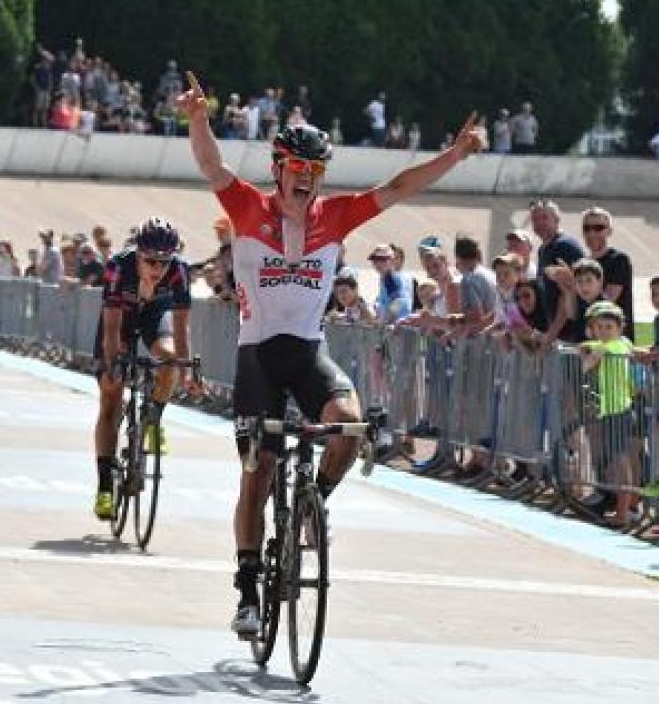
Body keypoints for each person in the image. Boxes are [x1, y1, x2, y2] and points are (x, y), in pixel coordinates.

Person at [177, 71, 483, 636]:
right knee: (258, 471)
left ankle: (312, 507)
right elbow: (212, 167)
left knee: (349, 426)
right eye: (299, 171)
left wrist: (455, 155)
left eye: (317, 173)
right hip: (257, 358)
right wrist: (199, 119)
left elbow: (399, 186)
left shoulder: (335, 216)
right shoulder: (247, 208)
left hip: (308, 351)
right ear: (279, 169)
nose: (309, 181)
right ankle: (246, 589)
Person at [91, 218, 192, 520]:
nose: (158, 268)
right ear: (137, 253)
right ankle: (105, 488)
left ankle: (153, 418)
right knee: (111, 398)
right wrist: (112, 364)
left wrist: (184, 370)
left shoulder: (179, 271)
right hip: (120, 320)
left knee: (170, 358)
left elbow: (181, 327)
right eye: (150, 261)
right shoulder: (118, 267)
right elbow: (110, 328)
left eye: (164, 261)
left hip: (153, 317)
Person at [578, 301, 637, 526]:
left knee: (621, 462)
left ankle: (624, 512)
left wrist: (588, 350)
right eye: (599, 327)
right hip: (613, 409)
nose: (603, 332)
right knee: (617, 460)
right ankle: (623, 509)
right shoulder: (619, 345)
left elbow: (586, 363)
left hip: (618, 410)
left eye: (609, 327)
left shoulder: (614, 347)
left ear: (619, 329)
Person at [531, 200, 585, 340]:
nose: (539, 223)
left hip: (570, 334)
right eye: (535, 219)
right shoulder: (544, 249)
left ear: (557, 219)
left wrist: (551, 334)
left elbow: (565, 291)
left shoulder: (564, 246)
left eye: (544, 217)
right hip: (556, 332)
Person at [580, 207, 634, 342]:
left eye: (598, 228)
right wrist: (568, 287)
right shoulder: (583, 264)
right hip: (589, 343)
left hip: (615, 346)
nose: (592, 233)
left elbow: (607, 302)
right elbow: (572, 310)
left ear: (609, 231)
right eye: (587, 228)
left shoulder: (618, 260)